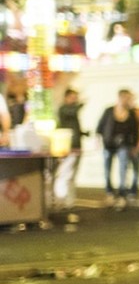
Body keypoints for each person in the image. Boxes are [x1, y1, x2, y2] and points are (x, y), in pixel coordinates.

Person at [95, 89, 139, 210]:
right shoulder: (109, 111)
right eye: (126, 97)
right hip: (108, 145)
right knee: (107, 170)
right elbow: (99, 127)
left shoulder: (131, 114)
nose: (128, 100)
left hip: (124, 145)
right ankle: (109, 193)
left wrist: (135, 146)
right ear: (120, 98)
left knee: (123, 170)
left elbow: (136, 131)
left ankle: (122, 195)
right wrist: (97, 140)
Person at [53, 87, 84, 215]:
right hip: (67, 147)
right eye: (72, 97)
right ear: (66, 97)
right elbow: (71, 112)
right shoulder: (64, 109)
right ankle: (61, 199)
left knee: (72, 175)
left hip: (76, 146)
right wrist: (80, 103)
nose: (75, 100)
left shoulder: (71, 111)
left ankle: (69, 201)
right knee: (64, 174)